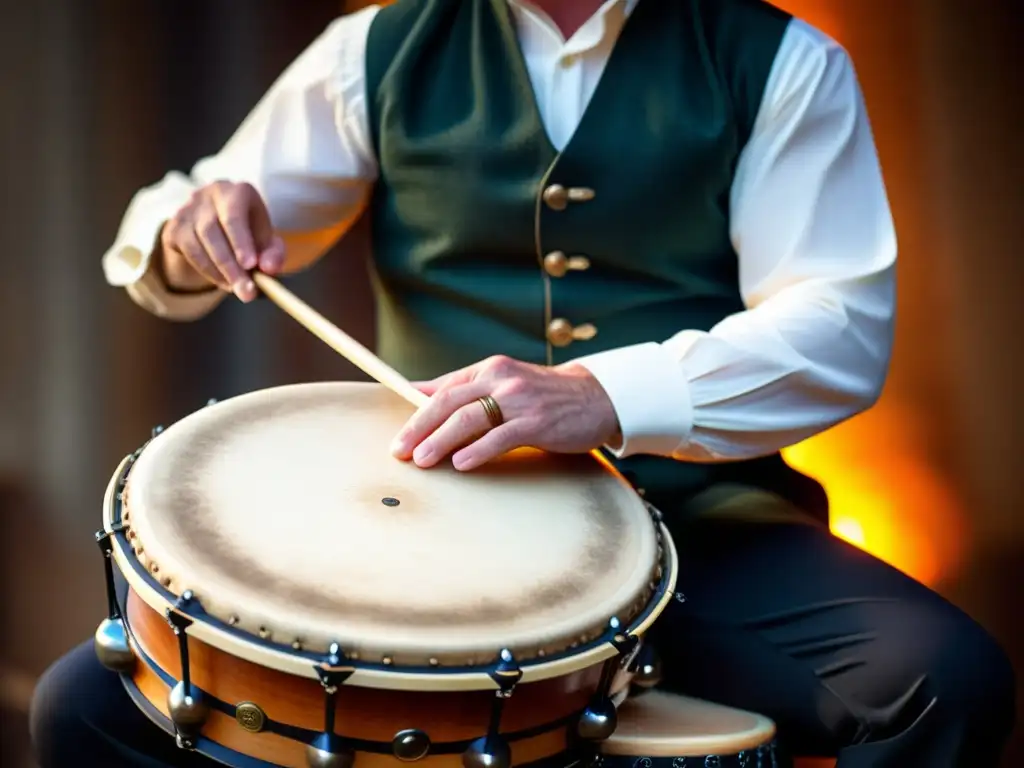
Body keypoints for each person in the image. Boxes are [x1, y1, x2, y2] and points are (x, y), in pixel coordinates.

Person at [31, 0, 1015, 766]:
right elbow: (188, 216)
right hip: (421, 529)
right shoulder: (374, 49)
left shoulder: (784, 62)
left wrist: (603, 393)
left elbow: (837, 330)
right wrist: (190, 229)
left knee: (943, 682)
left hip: (702, 529)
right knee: (84, 708)